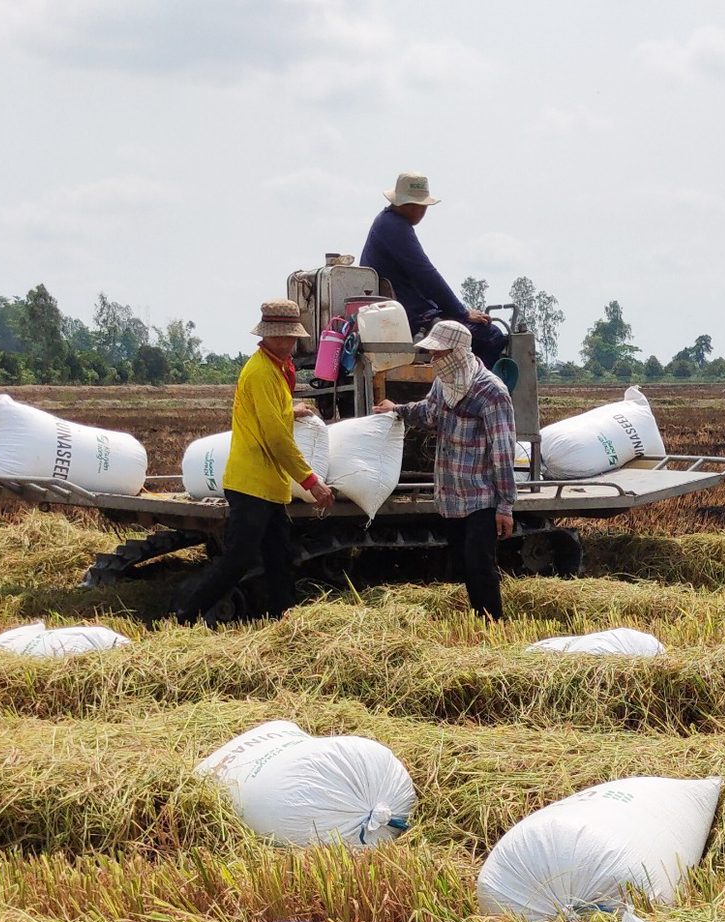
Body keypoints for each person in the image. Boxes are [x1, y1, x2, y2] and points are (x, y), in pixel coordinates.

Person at [175, 299, 335, 626]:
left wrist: (293, 410)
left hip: (268, 485)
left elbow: (273, 413)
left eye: (293, 337)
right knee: (238, 559)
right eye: (285, 337)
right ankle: (184, 617)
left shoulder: (275, 368)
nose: (291, 343)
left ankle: (285, 618)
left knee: (280, 556)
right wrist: (310, 481)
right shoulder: (262, 372)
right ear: (268, 337)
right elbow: (276, 437)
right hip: (252, 484)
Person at [374, 319, 515, 620]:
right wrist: (396, 410)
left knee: (479, 564)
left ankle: (494, 625)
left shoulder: (491, 392)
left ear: (458, 352)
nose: (434, 360)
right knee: (462, 564)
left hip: (481, 496)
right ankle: (476, 621)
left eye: (439, 354)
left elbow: (503, 452)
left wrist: (505, 505)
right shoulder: (444, 384)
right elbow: (428, 413)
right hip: (451, 494)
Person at [360, 171, 508, 367]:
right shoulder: (395, 227)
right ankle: (473, 391)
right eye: (419, 206)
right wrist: (462, 313)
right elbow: (426, 275)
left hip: (406, 314)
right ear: (408, 205)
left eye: (423, 207)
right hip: (413, 319)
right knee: (493, 337)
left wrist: (456, 312)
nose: (422, 212)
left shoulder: (387, 223)